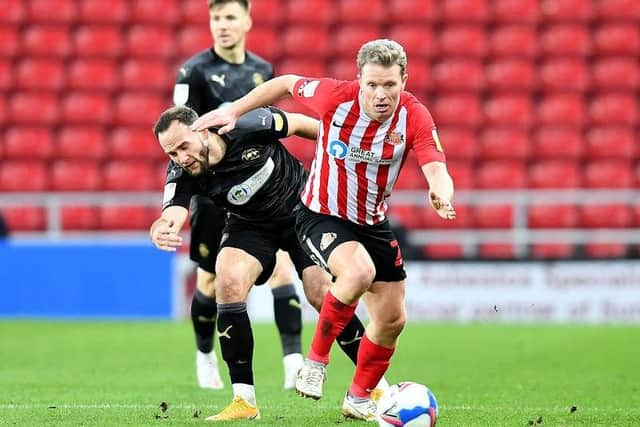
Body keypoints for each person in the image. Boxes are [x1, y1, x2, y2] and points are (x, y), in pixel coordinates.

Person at [191, 39, 457, 421]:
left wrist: (439, 191)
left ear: (404, 81)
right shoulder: (334, 96)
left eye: (390, 86)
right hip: (320, 213)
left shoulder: (414, 116)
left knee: (392, 319)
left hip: (372, 221)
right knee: (358, 272)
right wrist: (234, 110)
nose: (380, 95)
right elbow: (284, 83)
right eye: (372, 85)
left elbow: (436, 165)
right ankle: (314, 364)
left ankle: (358, 396)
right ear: (359, 81)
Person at [150, 105, 380, 421]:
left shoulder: (249, 124)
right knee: (227, 280)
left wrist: (345, 148)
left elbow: (301, 124)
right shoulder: (183, 170)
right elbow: (171, 213)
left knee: (320, 293)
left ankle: (377, 387)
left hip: (303, 211)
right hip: (250, 226)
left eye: (182, 146)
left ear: (202, 130)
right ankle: (244, 401)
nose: (179, 157)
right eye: (171, 152)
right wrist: (161, 228)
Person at [173, 0, 304, 390]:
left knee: (281, 267)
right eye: (215, 18)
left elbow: (270, 129)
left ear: (247, 21)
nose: (222, 25)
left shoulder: (262, 71)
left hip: (259, 194)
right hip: (214, 195)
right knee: (211, 280)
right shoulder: (194, 71)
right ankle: (204, 355)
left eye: (229, 17)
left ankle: (293, 362)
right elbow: (180, 131)